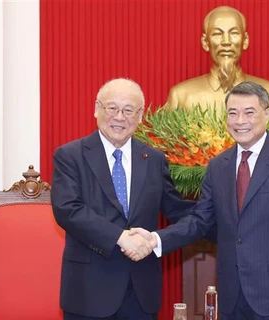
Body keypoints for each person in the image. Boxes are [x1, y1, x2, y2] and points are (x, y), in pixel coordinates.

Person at [131, 81, 269, 320]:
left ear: (267, 114)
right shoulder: (218, 166)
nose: (240, 121)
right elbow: (200, 220)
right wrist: (156, 239)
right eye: (233, 113)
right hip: (231, 296)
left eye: (249, 112)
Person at [51, 78, 195, 320]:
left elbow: (177, 209)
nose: (119, 117)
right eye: (112, 108)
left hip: (140, 292)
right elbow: (68, 210)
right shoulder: (70, 156)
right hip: (88, 290)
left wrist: (225, 208)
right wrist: (119, 238)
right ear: (96, 109)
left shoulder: (154, 159)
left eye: (128, 110)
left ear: (140, 116)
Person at [165, 6, 269, 112]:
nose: (226, 42)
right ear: (205, 42)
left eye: (234, 33)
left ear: (245, 41)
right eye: (217, 34)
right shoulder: (181, 97)